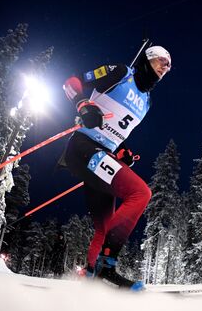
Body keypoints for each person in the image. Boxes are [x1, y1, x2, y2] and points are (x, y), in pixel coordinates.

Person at [58, 45, 171, 290]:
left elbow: (116, 132)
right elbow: (71, 81)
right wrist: (83, 105)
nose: (166, 67)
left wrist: (122, 153)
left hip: (102, 154)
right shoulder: (121, 73)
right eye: (162, 60)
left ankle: (89, 278)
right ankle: (106, 267)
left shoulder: (147, 101)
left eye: (169, 65)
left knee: (104, 226)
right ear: (147, 59)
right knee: (141, 193)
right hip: (82, 146)